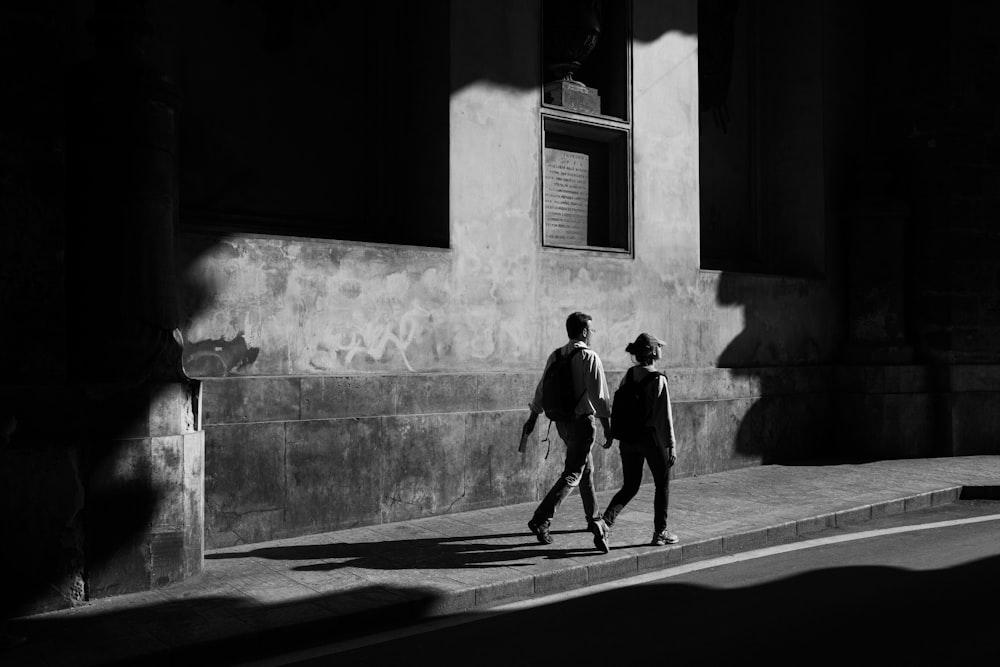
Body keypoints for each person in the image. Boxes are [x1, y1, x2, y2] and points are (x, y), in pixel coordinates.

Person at [521, 312, 613, 553]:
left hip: (562, 423)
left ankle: (594, 520)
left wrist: (532, 417)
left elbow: (541, 389)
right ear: (584, 332)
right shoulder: (589, 357)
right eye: (591, 330)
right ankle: (542, 518)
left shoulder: (556, 355)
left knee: (586, 470)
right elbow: (600, 399)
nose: (592, 334)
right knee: (574, 472)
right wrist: (608, 428)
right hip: (582, 423)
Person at [599, 333, 679, 546]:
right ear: (653, 352)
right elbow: (666, 416)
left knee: (630, 486)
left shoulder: (629, 375)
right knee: (662, 485)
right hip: (651, 440)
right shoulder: (659, 379)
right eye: (658, 347)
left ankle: (605, 523)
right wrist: (671, 445)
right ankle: (660, 532)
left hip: (628, 441)